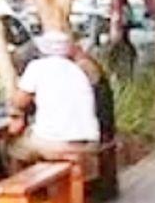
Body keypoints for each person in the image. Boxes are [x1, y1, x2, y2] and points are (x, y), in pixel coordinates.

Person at [7, 31, 101, 164]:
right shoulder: (77, 69)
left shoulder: (37, 67)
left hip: (56, 144)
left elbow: (19, 102)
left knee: (16, 146)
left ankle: (30, 176)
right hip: (89, 142)